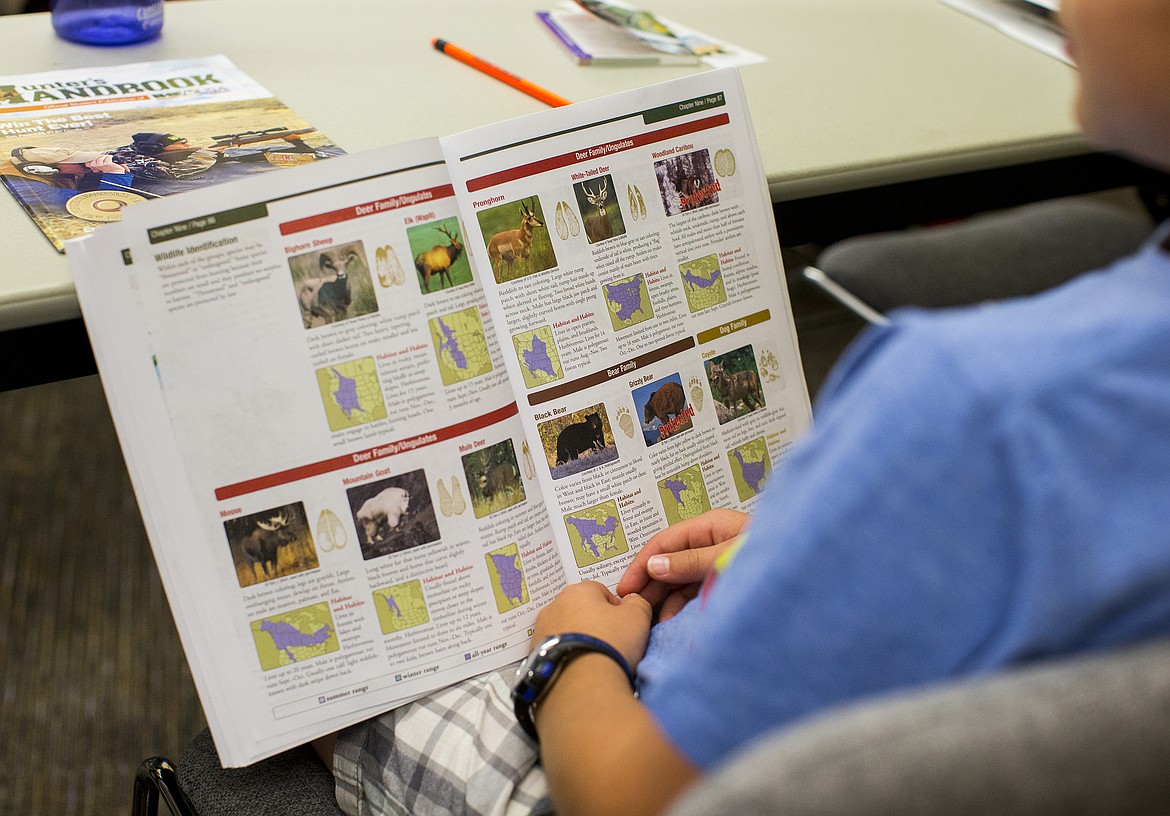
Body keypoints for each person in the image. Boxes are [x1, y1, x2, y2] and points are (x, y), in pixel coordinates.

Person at [324, 1, 1170, 813]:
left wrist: (567, 655)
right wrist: (838, 544)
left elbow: (630, 800)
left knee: (355, 675)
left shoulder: (966, 402)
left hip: (630, 756)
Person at [106, 131, 223, 180]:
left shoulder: (136, 149)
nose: (188, 145)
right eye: (181, 144)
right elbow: (175, 172)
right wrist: (205, 154)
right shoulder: (135, 159)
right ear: (153, 148)